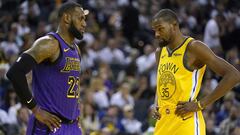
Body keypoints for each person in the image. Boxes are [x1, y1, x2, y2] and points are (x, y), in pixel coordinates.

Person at [151, 9, 240, 135]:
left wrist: (200, 104)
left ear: (174, 25)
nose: (157, 34)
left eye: (160, 29)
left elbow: (234, 75)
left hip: (186, 121)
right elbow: (161, 81)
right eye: (154, 30)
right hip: (163, 123)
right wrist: (156, 103)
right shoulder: (160, 52)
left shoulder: (193, 47)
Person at [6, 1, 88, 134]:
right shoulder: (49, 44)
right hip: (48, 126)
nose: (84, 23)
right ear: (66, 18)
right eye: (81, 18)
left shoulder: (76, 49)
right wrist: (35, 109)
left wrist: (76, 111)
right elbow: (15, 72)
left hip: (72, 126)